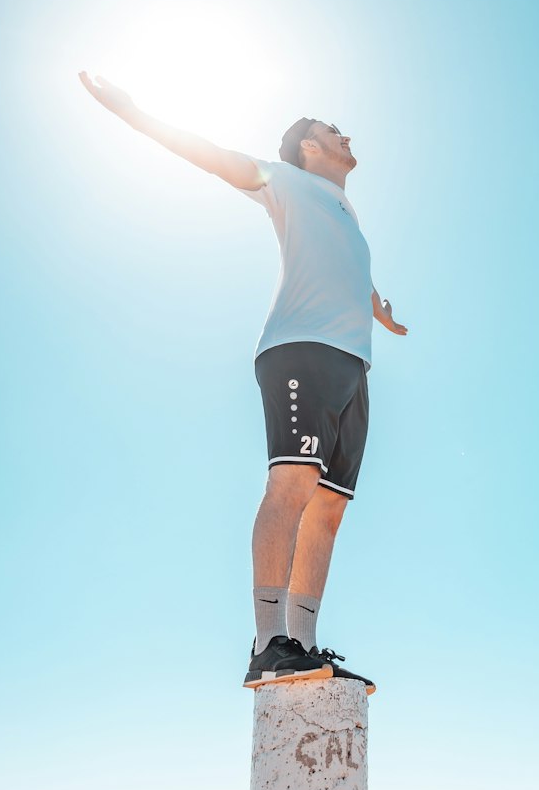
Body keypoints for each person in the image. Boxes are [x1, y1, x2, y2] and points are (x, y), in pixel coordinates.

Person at [78, 73, 406, 694]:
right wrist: (135, 114)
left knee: (330, 506)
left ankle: (303, 644)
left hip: (352, 364)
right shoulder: (283, 180)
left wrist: (376, 310)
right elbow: (210, 156)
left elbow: (346, 267)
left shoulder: (346, 209)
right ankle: (267, 643)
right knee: (293, 483)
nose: (344, 134)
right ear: (307, 148)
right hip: (299, 351)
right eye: (330, 129)